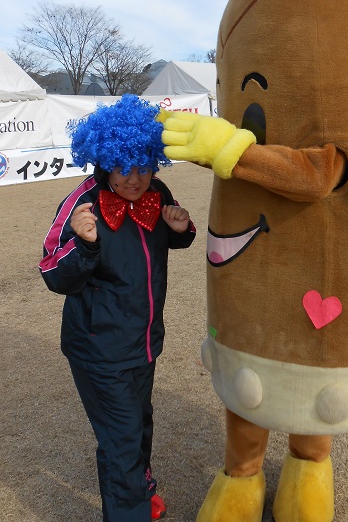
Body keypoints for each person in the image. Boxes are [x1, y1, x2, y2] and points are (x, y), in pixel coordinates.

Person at [39, 95, 196, 521]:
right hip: (99, 350)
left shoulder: (157, 191)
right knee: (123, 438)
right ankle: (131, 511)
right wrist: (84, 245)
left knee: (138, 427)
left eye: (145, 166)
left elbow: (170, 235)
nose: (136, 179)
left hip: (144, 344)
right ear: (107, 158)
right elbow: (53, 273)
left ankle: (139, 494)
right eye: (125, 167)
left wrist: (182, 231)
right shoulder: (82, 202)